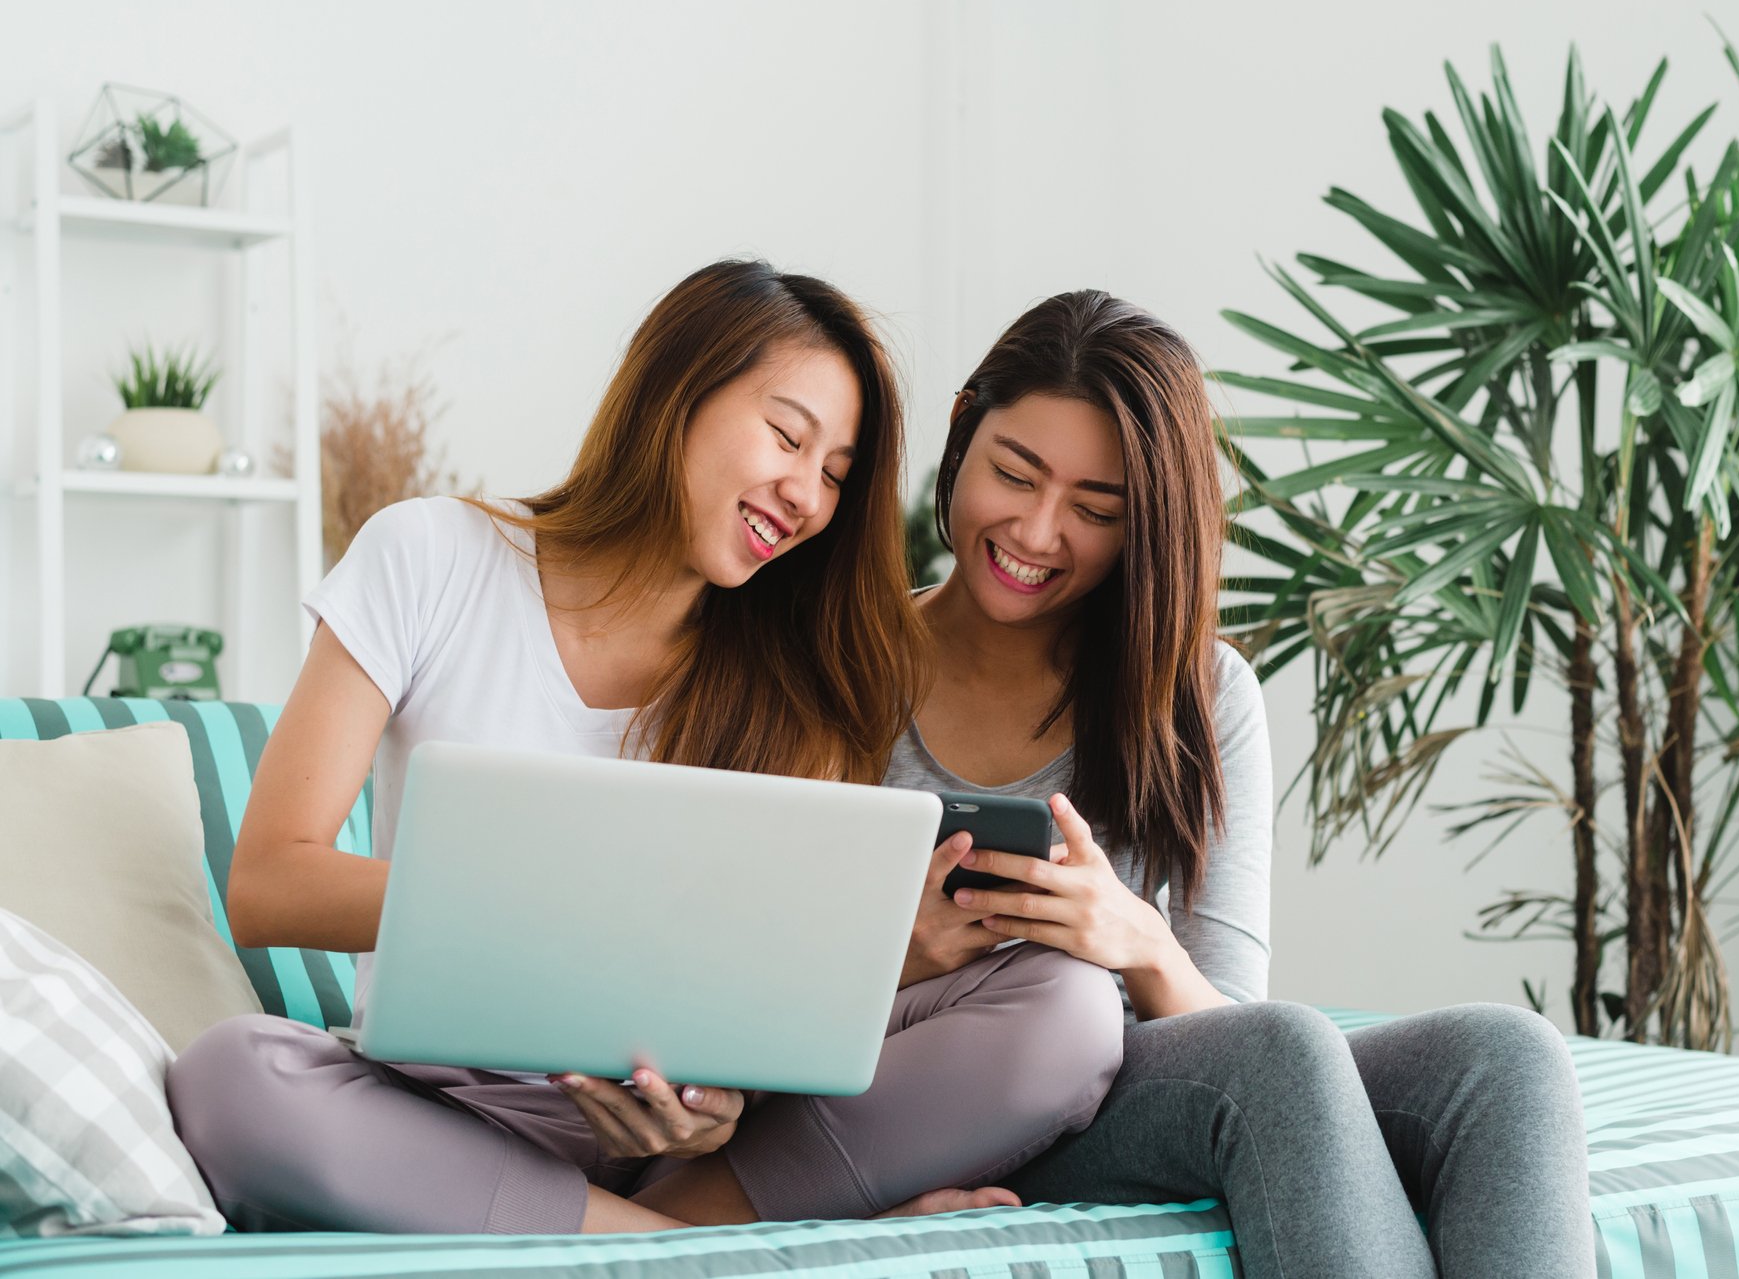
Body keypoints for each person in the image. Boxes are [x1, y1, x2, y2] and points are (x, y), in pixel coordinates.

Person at [166, 260, 1122, 1235]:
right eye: (787, 436)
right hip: (430, 1107)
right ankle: (673, 1246)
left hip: (659, 1130)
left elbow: (755, 986)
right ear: (676, 392)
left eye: (835, 473)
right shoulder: (430, 557)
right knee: (231, 1076)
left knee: (1069, 1007)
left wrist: (713, 1108)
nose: (804, 493)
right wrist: (547, 909)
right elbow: (269, 881)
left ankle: (650, 1219)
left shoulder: (793, 690)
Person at [886, 289, 1596, 1278]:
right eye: (1014, 473)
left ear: (1146, 528)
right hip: (953, 1088)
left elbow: (1231, 1010)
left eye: (1096, 510)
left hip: (1139, 1081)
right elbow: (759, 994)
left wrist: (1134, 939)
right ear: (962, 431)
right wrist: (911, 957)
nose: (1039, 532)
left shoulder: (1199, 693)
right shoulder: (844, 666)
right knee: (1286, 1055)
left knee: (1506, 1059)